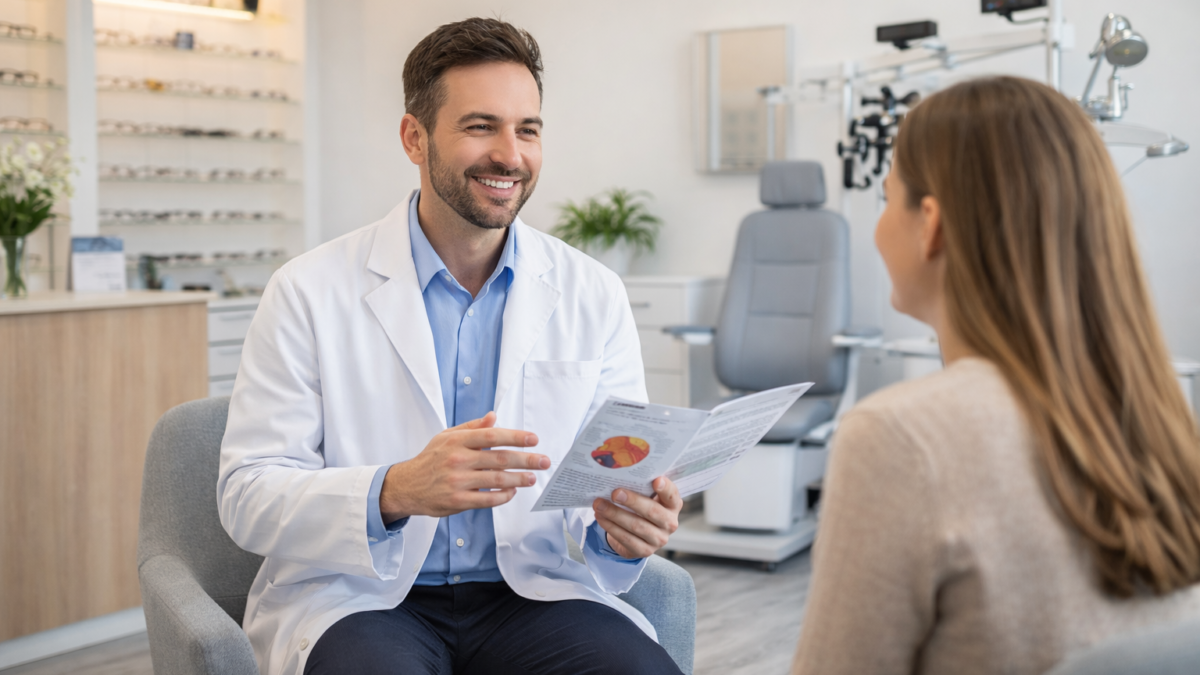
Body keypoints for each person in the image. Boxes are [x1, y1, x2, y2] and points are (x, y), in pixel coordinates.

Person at [217, 18, 685, 675]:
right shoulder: (306, 290)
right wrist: (395, 489)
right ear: (415, 137)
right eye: (480, 126)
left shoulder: (593, 292)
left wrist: (624, 528)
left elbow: (603, 484)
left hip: (530, 593)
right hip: (366, 599)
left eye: (528, 129)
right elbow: (246, 494)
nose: (510, 155)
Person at [791, 76, 1200, 674]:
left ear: (929, 223)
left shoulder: (897, 438)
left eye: (886, 197)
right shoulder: (1161, 417)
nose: (879, 227)